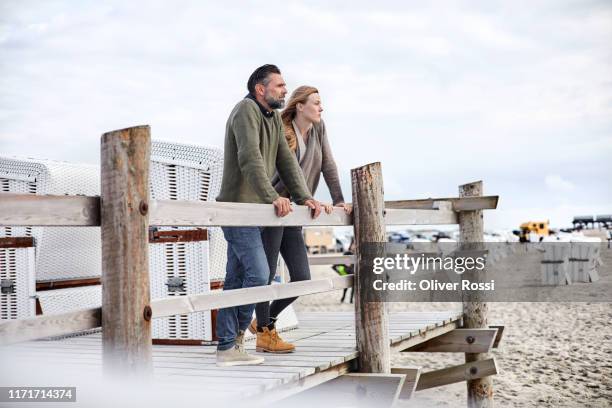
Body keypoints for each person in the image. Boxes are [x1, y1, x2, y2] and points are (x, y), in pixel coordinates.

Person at [215, 66, 322, 366]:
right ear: (261, 89)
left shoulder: (273, 117)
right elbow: (249, 159)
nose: (284, 91)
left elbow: (286, 161)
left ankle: (229, 345)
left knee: (236, 278)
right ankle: (231, 341)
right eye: (279, 86)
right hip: (237, 209)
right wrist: (273, 196)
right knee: (260, 274)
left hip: (255, 211)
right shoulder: (245, 111)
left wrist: (306, 197)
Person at [249, 85, 352, 353]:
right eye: (316, 103)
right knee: (267, 274)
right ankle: (265, 333)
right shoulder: (281, 131)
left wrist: (339, 199)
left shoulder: (318, 128)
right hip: (274, 209)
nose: (321, 107)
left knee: (302, 278)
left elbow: (328, 164)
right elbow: (286, 171)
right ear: (300, 106)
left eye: (321, 103)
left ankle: (263, 323)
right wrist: (308, 198)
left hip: (295, 210)